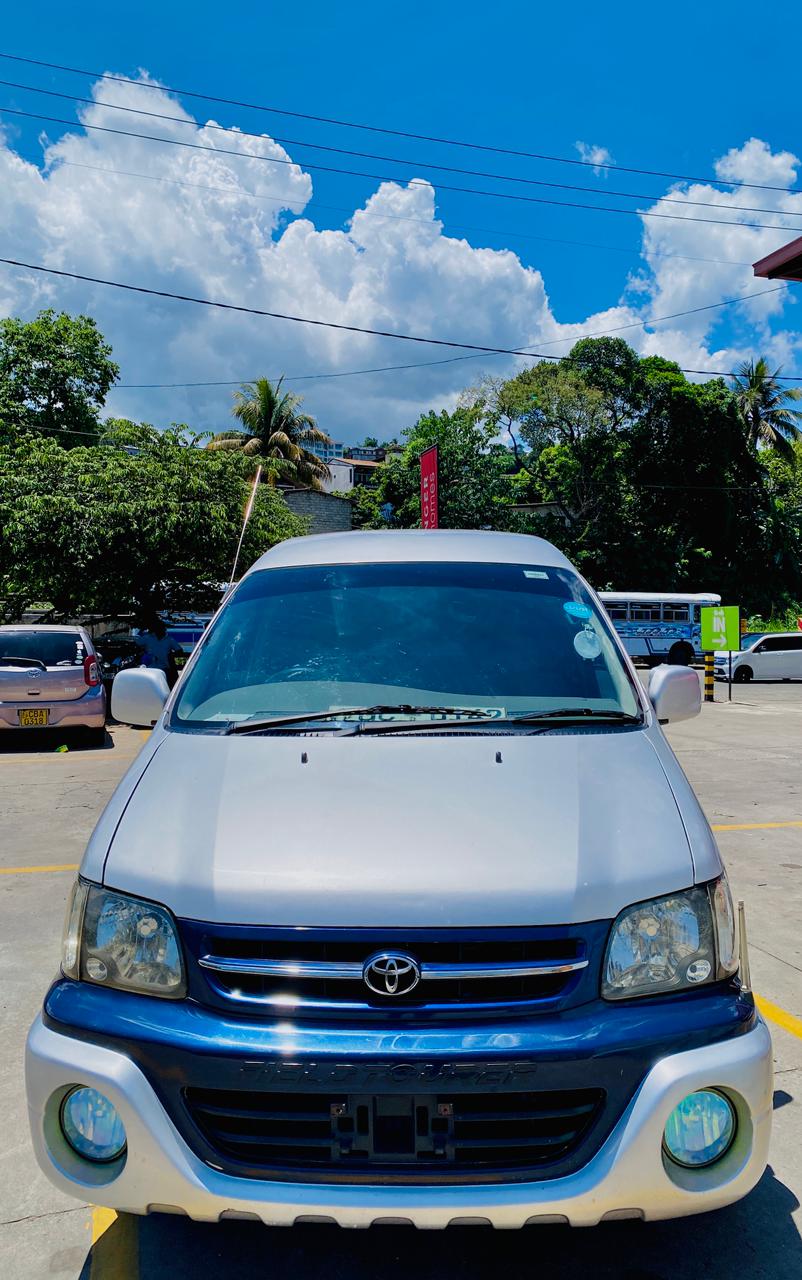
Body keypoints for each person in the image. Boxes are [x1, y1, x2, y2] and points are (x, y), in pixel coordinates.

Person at [137, 616, 181, 688]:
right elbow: (136, 645)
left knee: (167, 688)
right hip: (151, 668)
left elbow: (179, 650)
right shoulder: (147, 638)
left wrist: (170, 656)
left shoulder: (169, 640)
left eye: (162, 628)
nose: (161, 630)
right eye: (158, 628)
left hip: (166, 669)